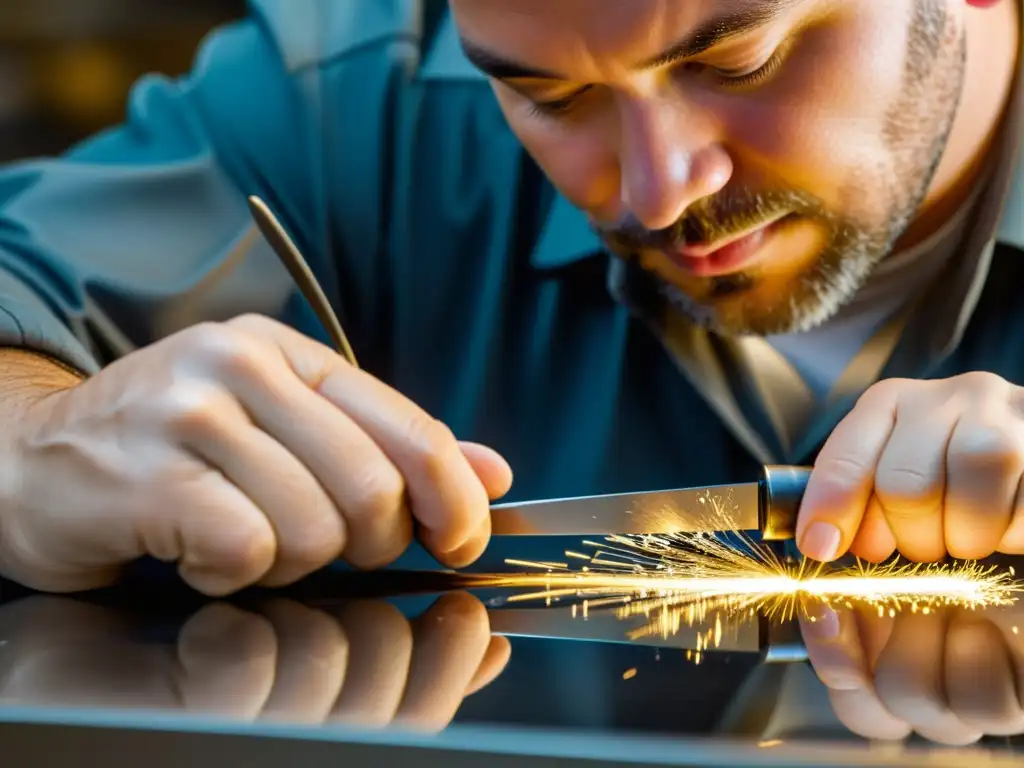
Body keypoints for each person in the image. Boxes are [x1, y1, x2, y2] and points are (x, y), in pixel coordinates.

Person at [0, 0, 1020, 595]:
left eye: (731, 59)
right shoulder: (357, 93)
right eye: (550, 98)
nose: (655, 190)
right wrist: (36, 445)